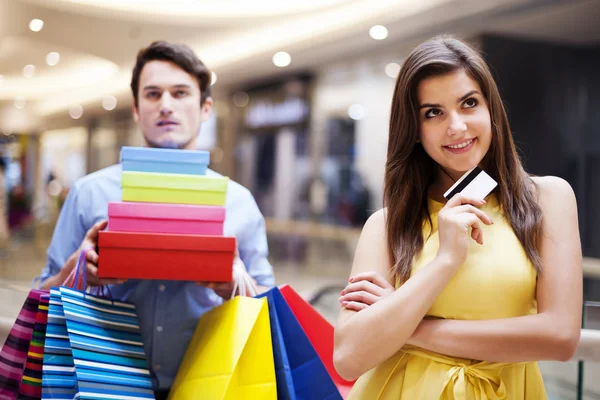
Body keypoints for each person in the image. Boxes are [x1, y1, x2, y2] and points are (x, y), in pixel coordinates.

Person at [333, 35, 582, 399]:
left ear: (491, 110)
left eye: (468, 103)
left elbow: (560, 337)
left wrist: (406, 326)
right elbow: (348, 359)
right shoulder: (386, 225)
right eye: (433, 112)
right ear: (415, 131)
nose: (457, 127)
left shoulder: (547, 199)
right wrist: (444, 260)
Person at [35, 41, 275, 399]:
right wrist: (78, 269)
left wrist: (235, 283)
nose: (166, 105)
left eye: (180, 93)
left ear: (205, 107)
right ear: (135, 109)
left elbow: (270, 314)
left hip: (205, 384)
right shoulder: (88, 193)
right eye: (152, 94)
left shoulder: (239, 202)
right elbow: (41, 298)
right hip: (102, 383)